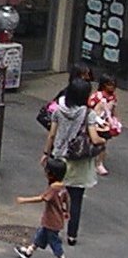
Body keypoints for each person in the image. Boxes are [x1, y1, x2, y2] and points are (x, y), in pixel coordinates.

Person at [44, 76, 103, 246]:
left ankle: (52, 230)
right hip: (79, 163)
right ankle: (72, 235)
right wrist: (103, 140)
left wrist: (46, 153)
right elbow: (94, 138)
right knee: (75, 200)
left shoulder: (58, 110)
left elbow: (52, 135)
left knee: (55, 196)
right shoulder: (88, 114)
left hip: (58, 160)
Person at [13, 154, 71, 258]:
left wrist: (24, 200)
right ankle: (29, 251)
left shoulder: (53, 188)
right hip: (55, 220)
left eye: (46, 171)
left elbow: (42, 198)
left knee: (54, 241)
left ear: (51, 174)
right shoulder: (62, 187)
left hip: (51, 221)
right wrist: (67, 211)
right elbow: (68, 200)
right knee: (41, 235)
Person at [88, 73, 120, 175]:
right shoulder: (97, 96)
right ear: (103, 84)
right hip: (94, 123)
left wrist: (115, 120)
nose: (112, 87)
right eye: (109, 84)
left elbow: (112, 110)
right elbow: (89, 109)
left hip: (105, 125)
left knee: (103, 144)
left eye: (114, 84)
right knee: (92, 142)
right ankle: (89, 162)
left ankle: (99, 164)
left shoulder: (113, 98)